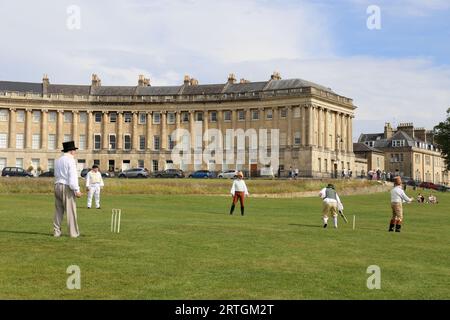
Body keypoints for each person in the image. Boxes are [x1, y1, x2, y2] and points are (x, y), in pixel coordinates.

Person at [53, 141, 82, 238]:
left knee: (58, 210)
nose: (75, 152)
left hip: (57, 185)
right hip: (66, 186)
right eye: (74, 150)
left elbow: (56, 174)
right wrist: (76, 190)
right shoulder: (70, 160)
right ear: (71, 151)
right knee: (71, 211)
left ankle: (56, 231)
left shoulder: (58, 160)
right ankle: (73, 233)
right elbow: (72, 177)